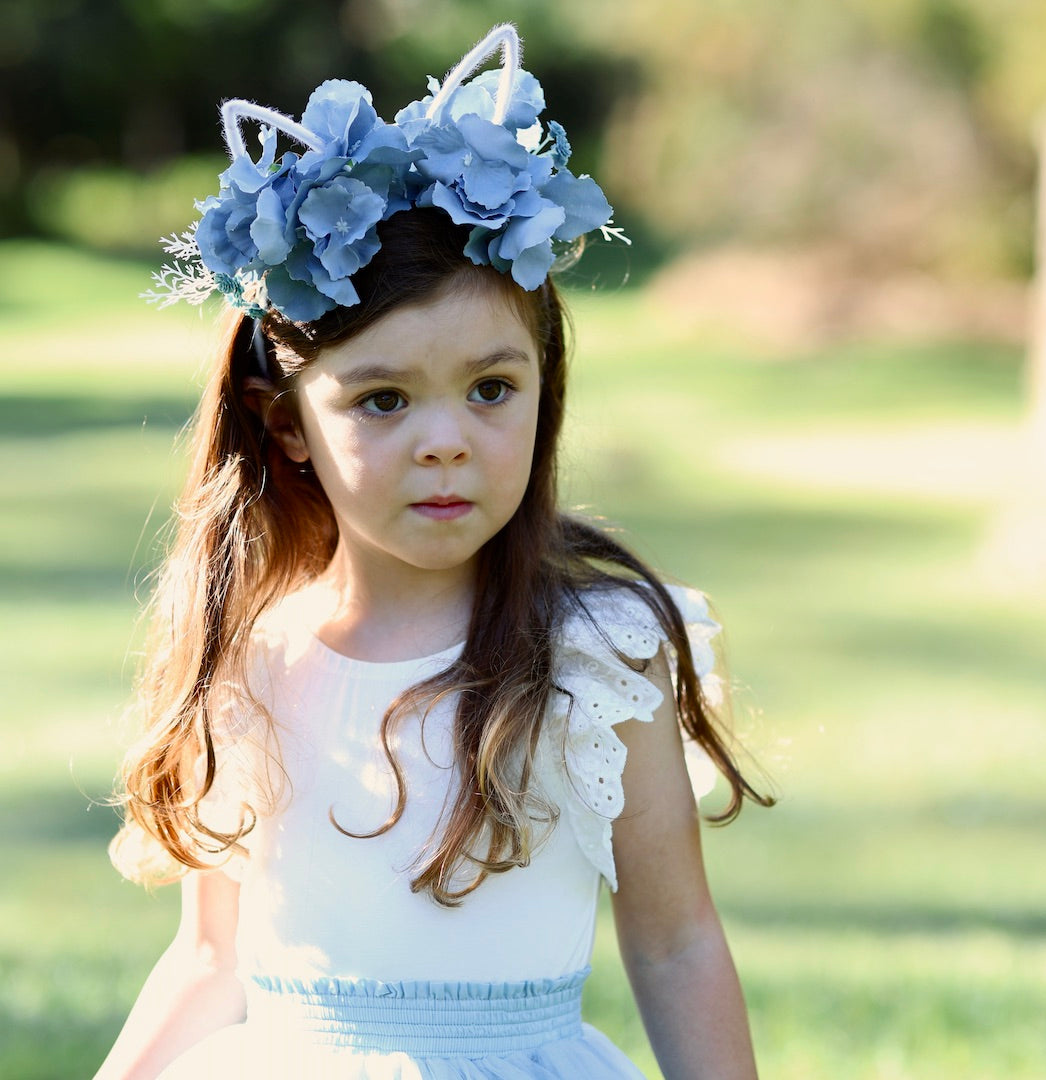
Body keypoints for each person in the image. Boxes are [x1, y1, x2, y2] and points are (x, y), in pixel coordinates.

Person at [96, 24, 772, 1080]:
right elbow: (210, 956)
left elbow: (675, 939)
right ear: (288, 430)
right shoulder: (252, 655)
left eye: (491, 388)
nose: (447, 437)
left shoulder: (596, 656)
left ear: (547, 391)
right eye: (383, 400)